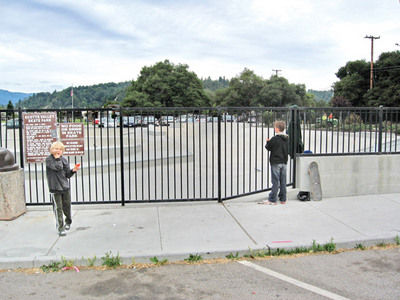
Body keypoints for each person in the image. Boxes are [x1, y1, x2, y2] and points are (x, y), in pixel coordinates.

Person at [46, 141, 80, 236]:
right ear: (52, 150)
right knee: (58, 208)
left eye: (60, 149)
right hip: (55, 187)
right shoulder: (49, 160)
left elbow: (67, 174)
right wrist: (57, 159)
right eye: (56, 149)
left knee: (67, 206)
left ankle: (68, 221)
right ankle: (60, 227)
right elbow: (57, 167)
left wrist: (73, 170)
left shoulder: (64, 160)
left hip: (65, 186)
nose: (58, 151)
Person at [264, 120, 288, 205]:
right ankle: (283, 198)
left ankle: (272, 199)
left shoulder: (274, 139)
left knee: (275, 181)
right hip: (284, 162)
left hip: (275, 162)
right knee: (283, 181)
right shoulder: (286, 139)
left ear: (277, 129)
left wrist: (267, 141)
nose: (274, 129)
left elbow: (268, 147)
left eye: (275, 127)